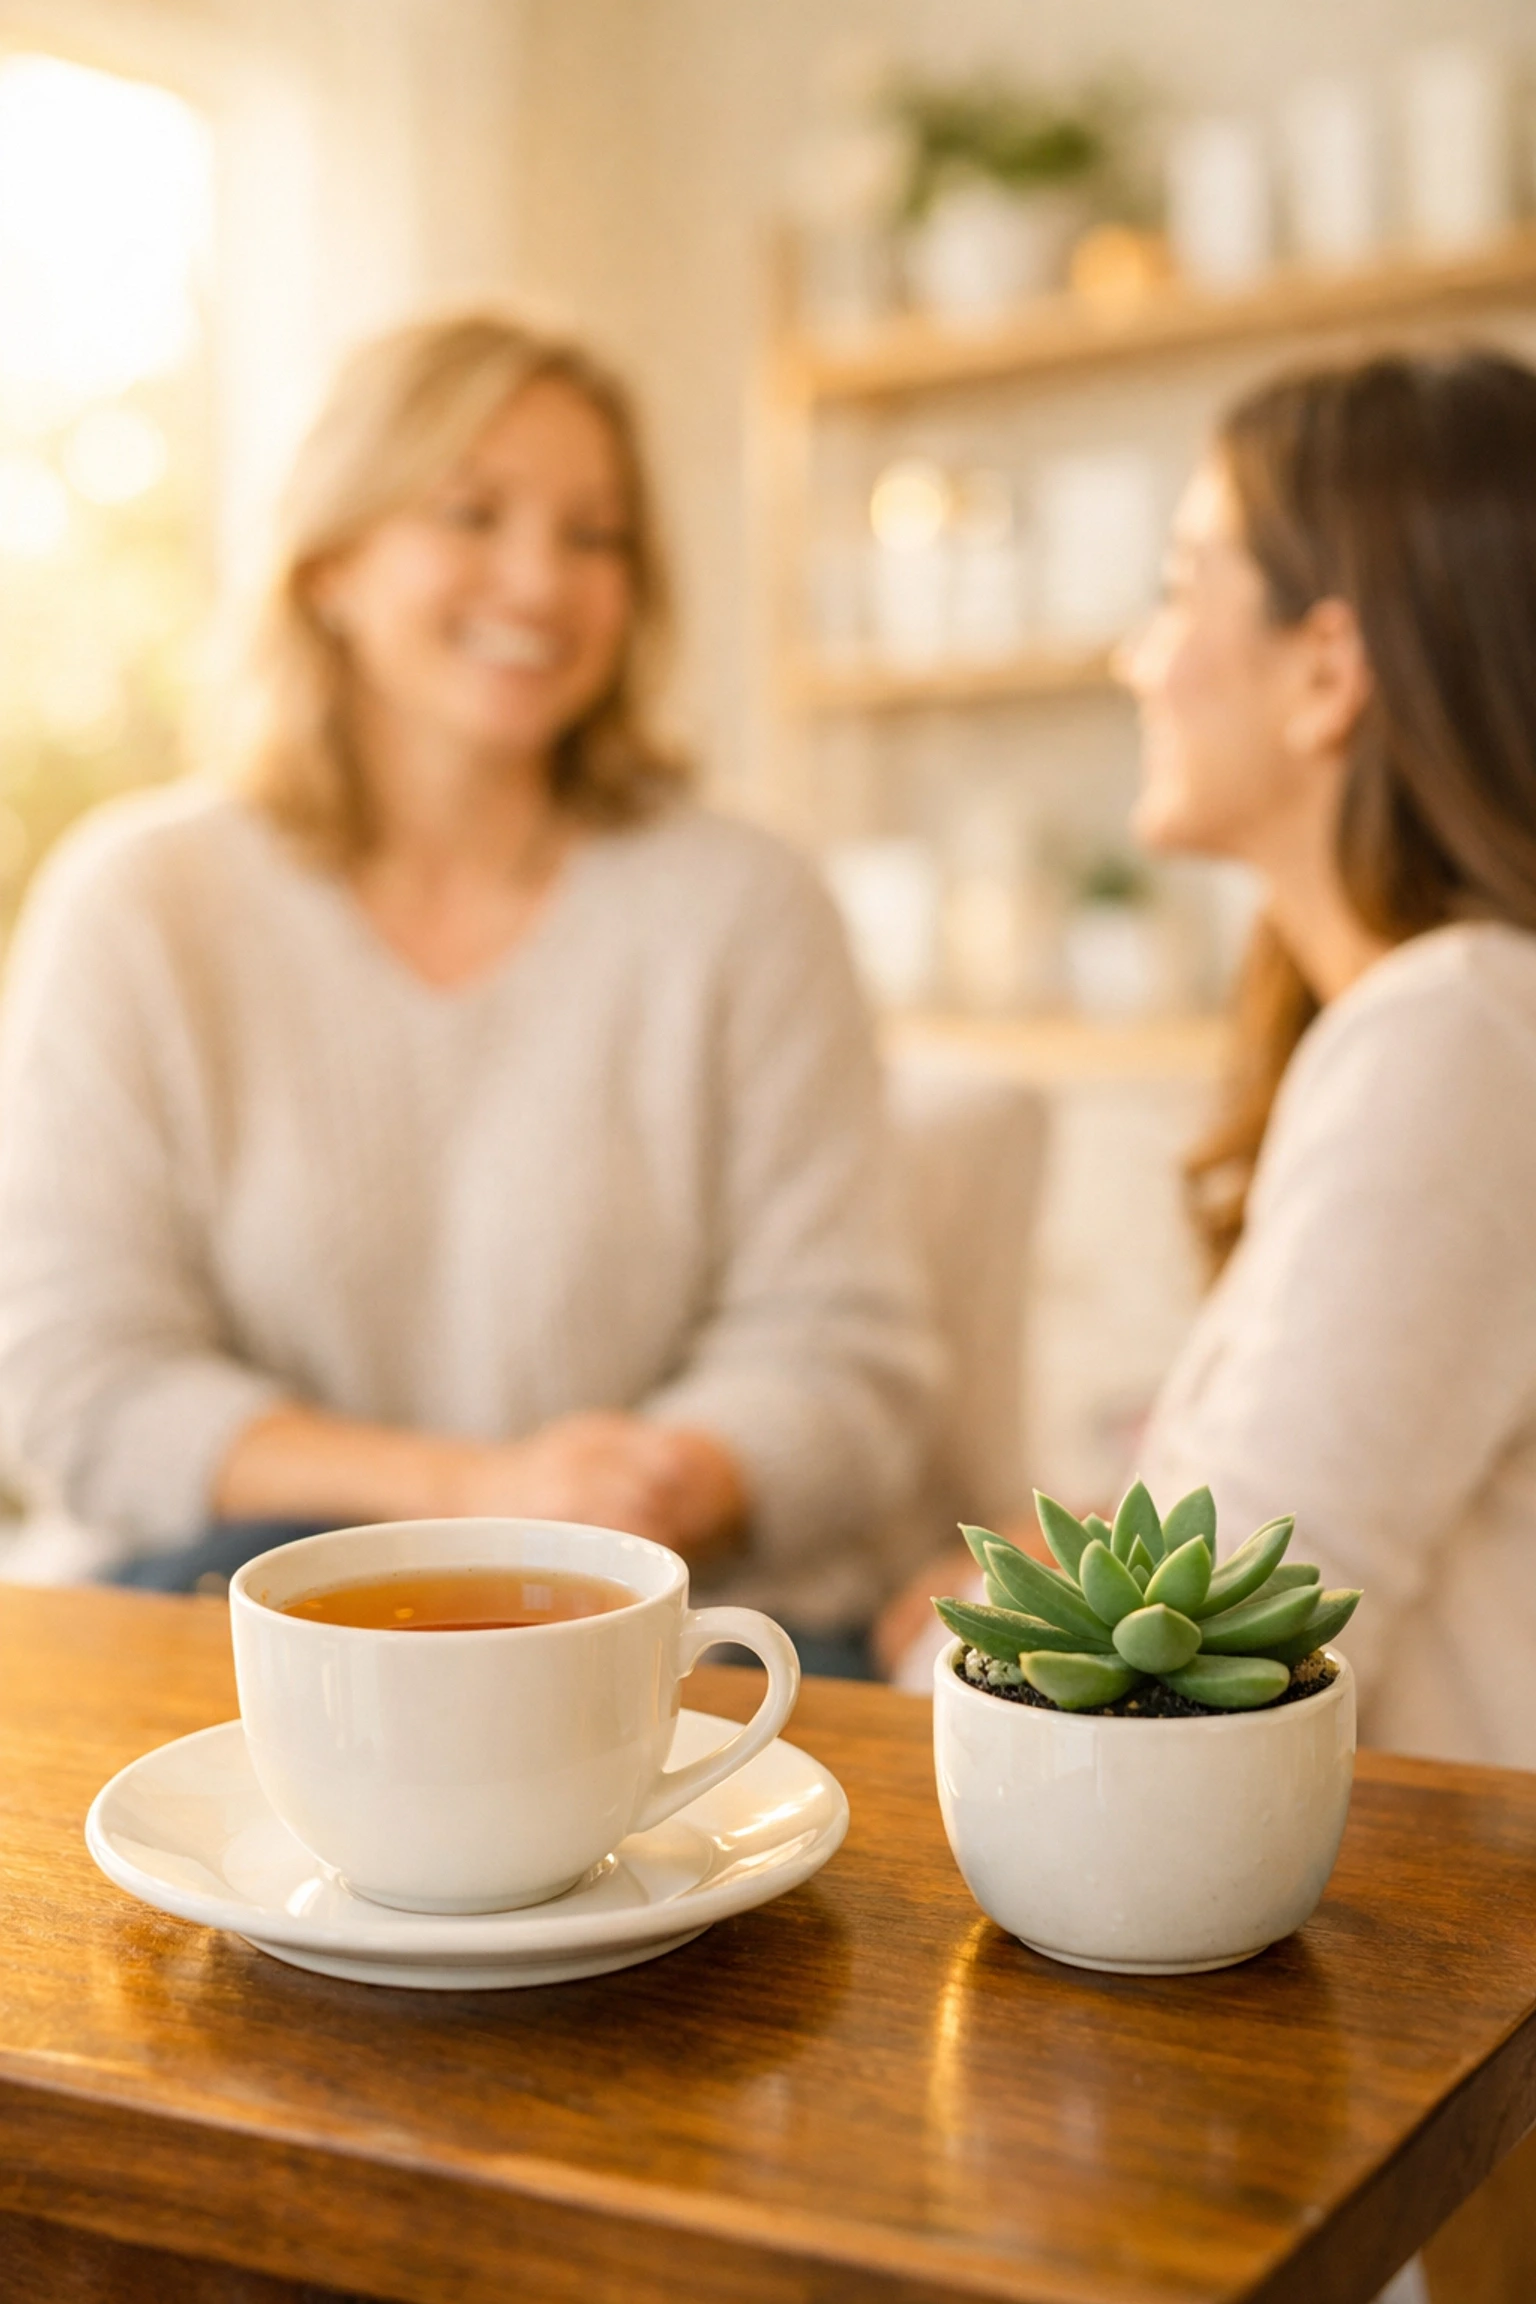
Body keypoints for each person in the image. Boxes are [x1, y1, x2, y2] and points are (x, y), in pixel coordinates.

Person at [0, 312, 938, 1673]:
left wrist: (640, 1496)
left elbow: (844, 1355)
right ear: (330, 564)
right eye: (472, 513)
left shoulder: (748, 903)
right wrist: (474, 1497)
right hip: (241, 1626)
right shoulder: (140, 903)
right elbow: (77, 1385)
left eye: (593, 535)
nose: (539, 581)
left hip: (672, 1632)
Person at [879, 349, 1536, 1776]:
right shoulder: (1435, 1022)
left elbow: (1237, 1633)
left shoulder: (1461, 1032)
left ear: (1327, 672)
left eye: (1180, 592)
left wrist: (948, 1664)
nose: (1138, 657)